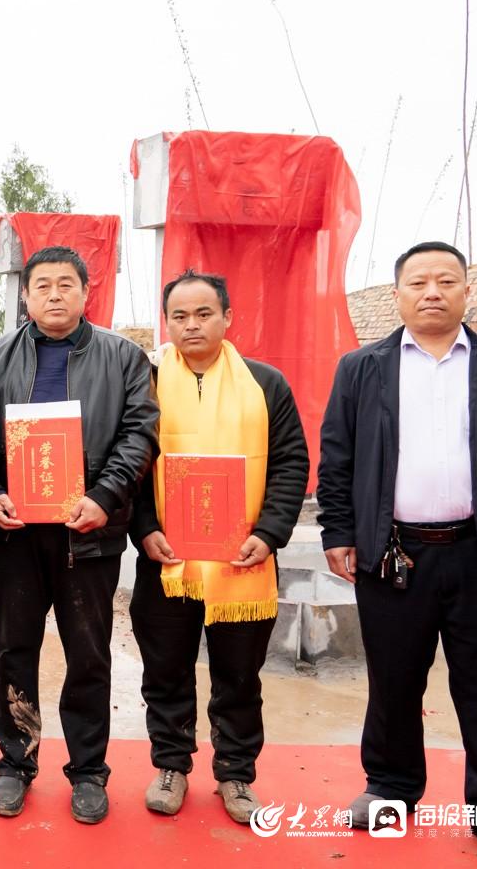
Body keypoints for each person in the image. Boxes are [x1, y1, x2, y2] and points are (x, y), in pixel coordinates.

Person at [319, 241, 477, 866]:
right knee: (393, 678)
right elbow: (338, 459)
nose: (432, 291)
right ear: (398, 295)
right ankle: (390, 788)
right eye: (419, 282)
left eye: (446, 280)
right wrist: (338, 533)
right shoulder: (362, 368)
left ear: (466, 291)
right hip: (394, 553)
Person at [0, 245, 157, 824]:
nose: (54, 295)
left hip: (91, 536)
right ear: (25, 295)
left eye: (66, 285)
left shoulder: (125, 357)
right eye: (42, 286)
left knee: (88, 656)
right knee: (14, 649)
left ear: (86, 292)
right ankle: (15, 764)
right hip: (16, 534)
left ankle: (87, 771)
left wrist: (105, 498)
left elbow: (139, 433)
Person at [129, 271, 308, 823]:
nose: (191, 325)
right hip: (169, 561)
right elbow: (129, 462)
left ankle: (235, 774)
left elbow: (291, 462)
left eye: (203, 314)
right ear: (167, 323)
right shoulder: (147, 383)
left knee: (238, 675)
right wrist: (143, 529)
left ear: (228, 318)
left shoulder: (265, 383)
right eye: (179, 316)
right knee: (166, 669)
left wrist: (268, 533)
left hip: (242, 561)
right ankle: (171, 765)